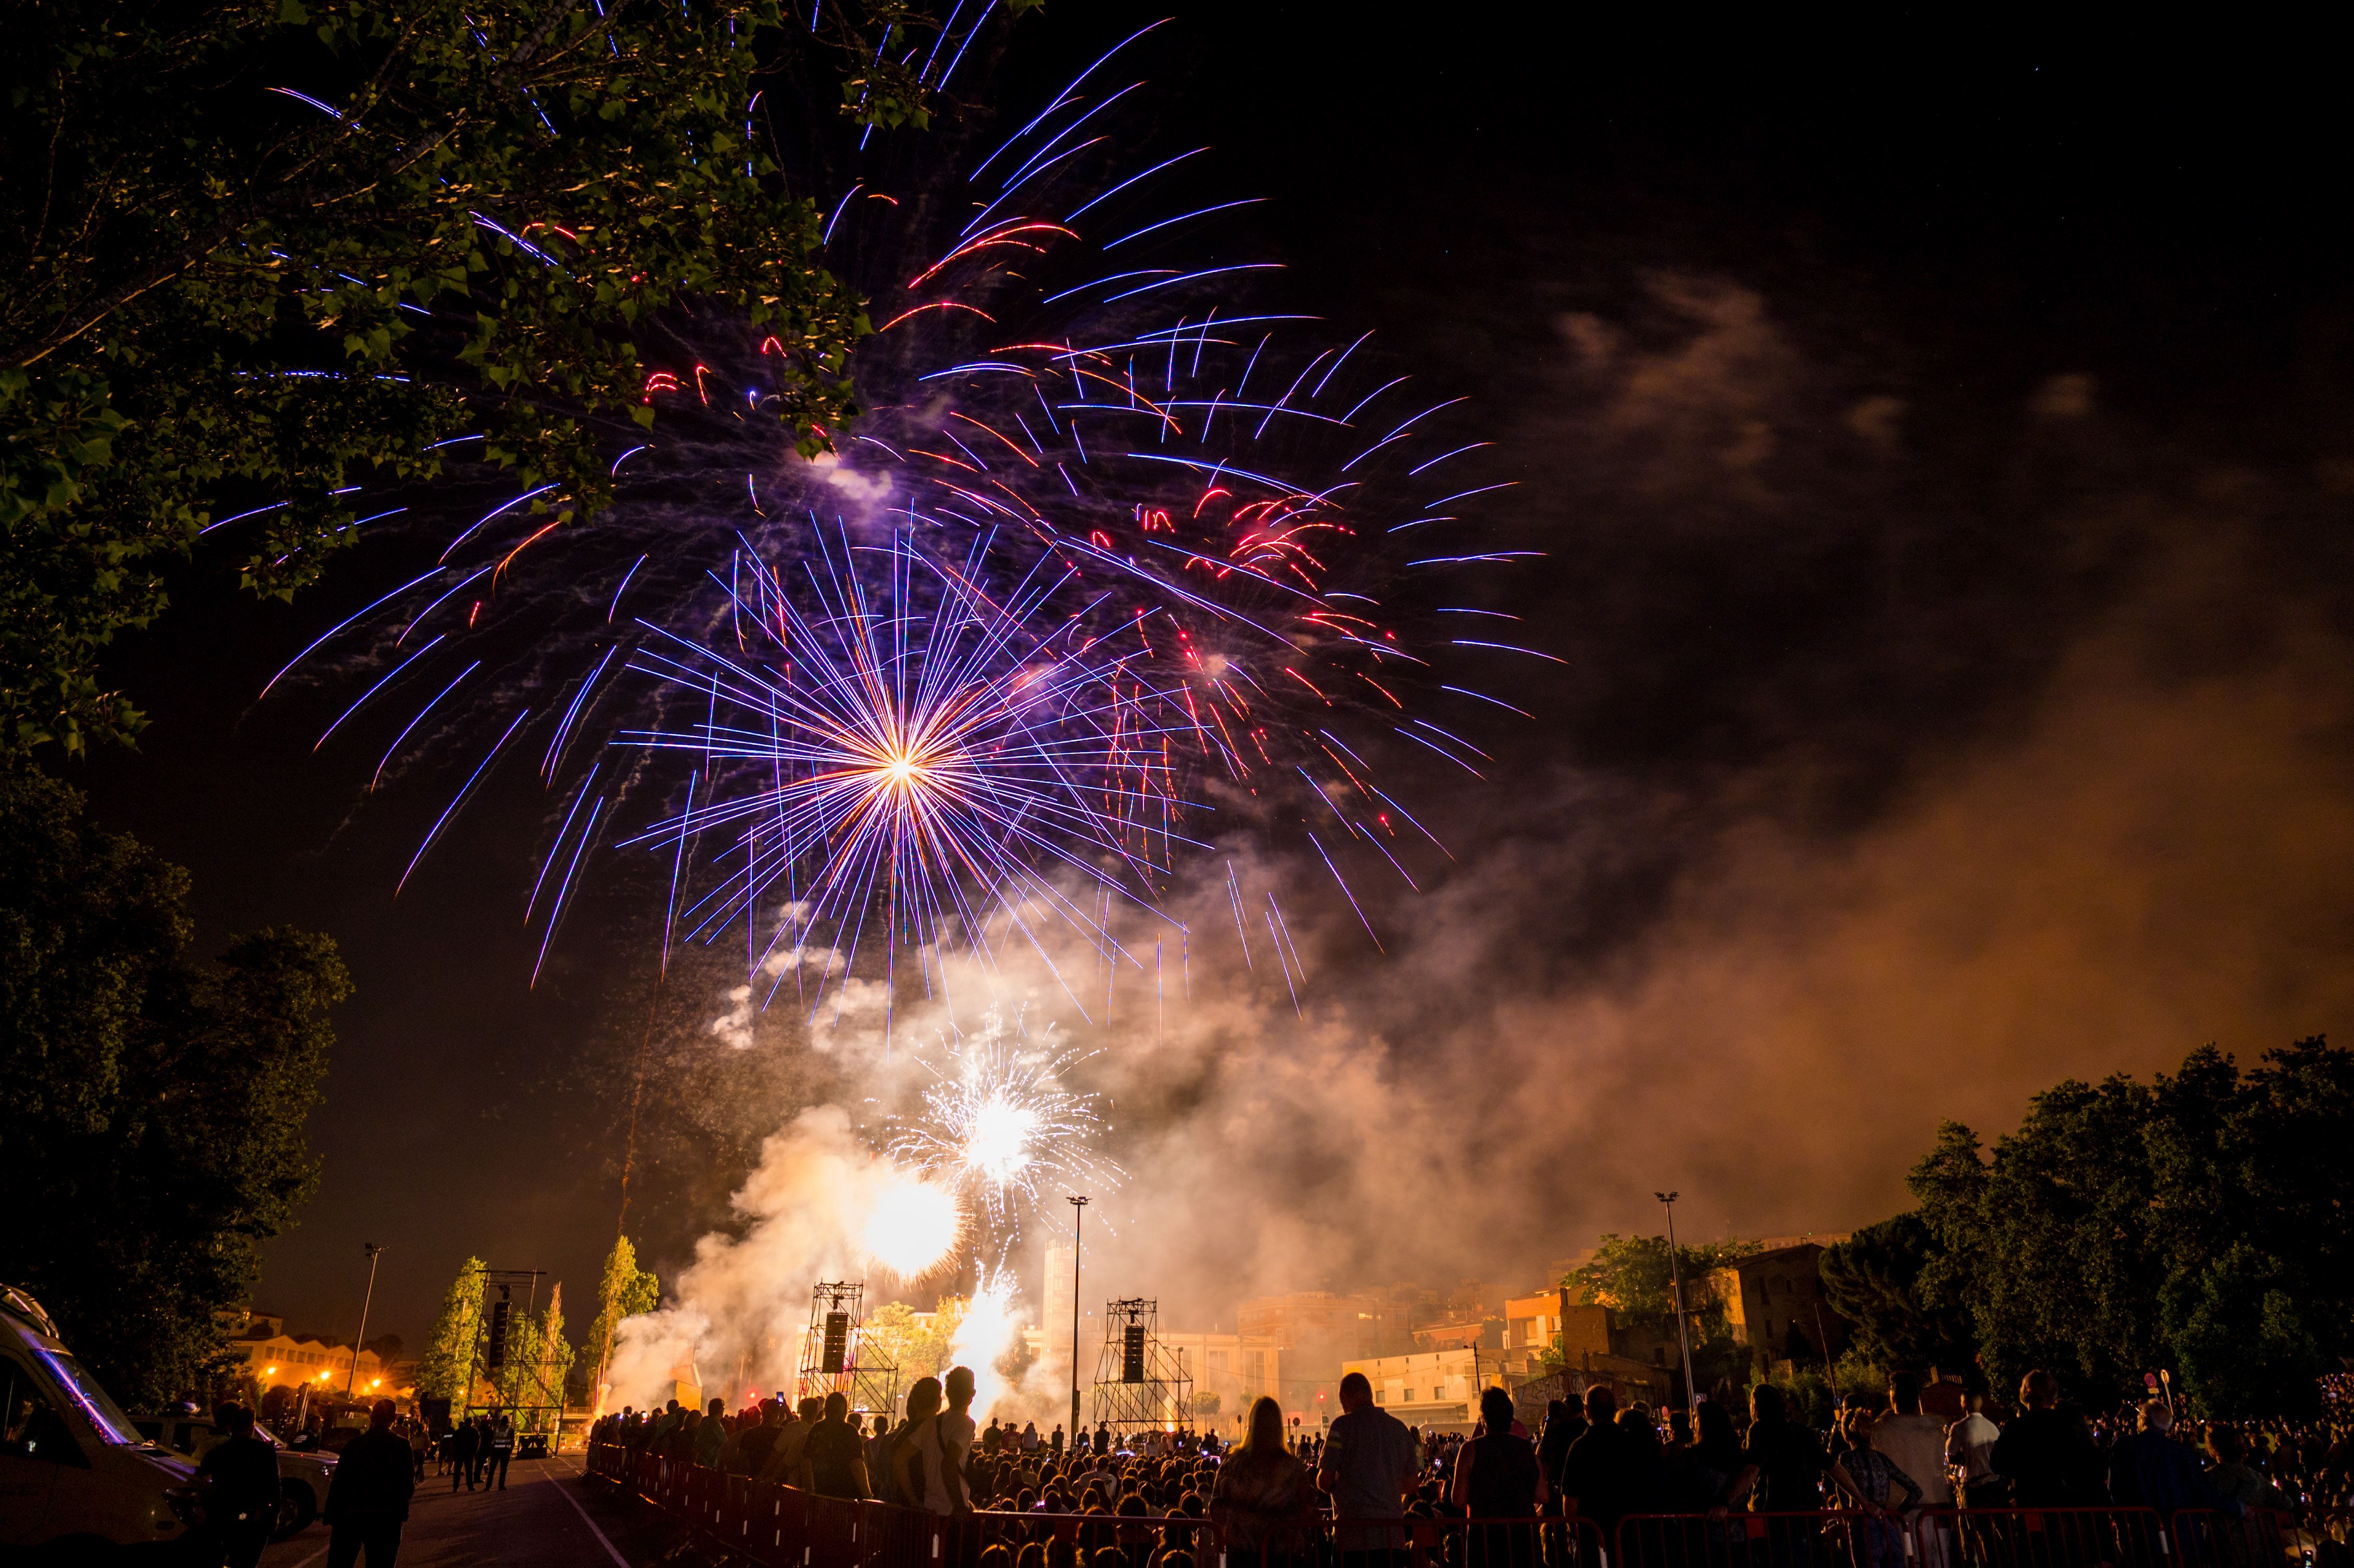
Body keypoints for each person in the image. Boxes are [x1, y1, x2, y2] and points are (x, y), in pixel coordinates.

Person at [1319, 1370, 1420, 1556]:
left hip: (1353, 1539)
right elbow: (1413, 1483)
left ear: (1345, 1398)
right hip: (1393, 1539)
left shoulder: (1341, 1427)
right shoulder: (1399, 1429)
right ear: (1370, 1394)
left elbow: (1324, 1480)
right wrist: (1386, 1485)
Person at [1211, 1396, 1319, 1565]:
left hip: (1240, 1556)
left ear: (1251, 1425)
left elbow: (1216, 1507)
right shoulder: (1292, 1468)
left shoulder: (1234, 1464)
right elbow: (1307, 1508)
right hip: (1284, 1556)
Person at [1452, 1387, 1546, 1568]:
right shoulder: (1527, 1449)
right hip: (1524, 1537)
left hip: (1486, 1541)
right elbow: (1544, 1495)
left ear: (1483, 1419)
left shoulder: (1470, 1450)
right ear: (1510, 1418)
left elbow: (1458, 1499)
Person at [324, 1399, 416, 1568]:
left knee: (340, 1562)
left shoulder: (355, 1445)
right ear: (394, 1418)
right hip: (386, 1518)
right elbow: (407, 1485)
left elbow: (340, 1482)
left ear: (372, 1417)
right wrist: (401, 1513)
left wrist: (332, 1513)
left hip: (351, 1515)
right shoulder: (402, 1446)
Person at [1829, 1412, 1924, 1568]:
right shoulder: (1882, 1459)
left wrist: (1849, 1515)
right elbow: (1916, 1491)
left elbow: (1842, 1489)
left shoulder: (1848, 1458)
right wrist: (1897, 1515)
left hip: (1863, 1528)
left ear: (1846, 1434)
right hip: (1887, 1526)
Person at [1992, 1372, 2099, 1507]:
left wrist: (2020, 1473)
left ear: (2028, 1391)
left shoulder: (2016, 1427)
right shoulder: (2068, 1424)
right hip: (2067, 1502)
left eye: (2022, 1386)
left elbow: (1997, 1463)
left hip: (2031, 1502)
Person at [196, 1403, 281, 1568]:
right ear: (251, 1427)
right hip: (256, 1519)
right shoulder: (265, 1451)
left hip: (224, 1516)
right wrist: (274, 1514)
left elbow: (201, 1471)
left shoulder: (219, 1452)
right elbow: (274, 1485)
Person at [2109, 1400, 2229, 1514]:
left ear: (2144, 1420)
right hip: (2181, 1528)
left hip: (2141, 1527)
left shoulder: (2123, 1446)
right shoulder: (2182, 1452)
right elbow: (2204, 1490)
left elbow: (2116, 1491)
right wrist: (2240, 1509)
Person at [1559, 1386, 1647, 1539]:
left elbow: (1570, 1498)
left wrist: (1574, 1532)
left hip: (1591, 1534)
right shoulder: (1632, 1443)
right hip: (1629, 1532)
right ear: (1614, 1408)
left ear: (1587, 1410)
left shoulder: (1580, 1447)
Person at [906, 1365, 980, 1515]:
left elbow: (899, 1458)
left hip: (929, 1509)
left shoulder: (930, 1423)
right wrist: (959, 1506)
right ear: (972, 1394)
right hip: (950, 1513)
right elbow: (948, 1464)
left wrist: (913, 1499)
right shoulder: (966, 1424)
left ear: (947, 1393)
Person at [882, 1378, 944, 1507]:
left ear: (914, 1401)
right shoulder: (935, 1433)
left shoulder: (900, 1435)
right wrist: (915, 1502)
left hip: (902, 1506)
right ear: (939, 1403)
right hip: (926, 1508)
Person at [801, 1391, 874, 1499]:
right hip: (844, 1497)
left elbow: (806, 1460)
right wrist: (868, 1496)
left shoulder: (816, 1429)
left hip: (820, 1494)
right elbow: (857, 1466)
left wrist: (810, 1490)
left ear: (825, 1409)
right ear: (844, 1411)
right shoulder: (849, 1431)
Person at [1946, 1393, 2005, 1508]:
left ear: (1964, 1404)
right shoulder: (1992, 1426)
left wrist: (1962, 1457)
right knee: (2003, 1523)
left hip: (1976, 1488)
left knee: (1978, 1524)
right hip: (1997, 1484)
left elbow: (1951, 1457)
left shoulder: (1959, 1427)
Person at [480, 1409, 515, 1491]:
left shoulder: (496, 1430)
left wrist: (491, 1450)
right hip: (505, 1451)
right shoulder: (510, 1430)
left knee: (492, 1469)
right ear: (507, 1422)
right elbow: (512, 1442)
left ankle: (488, 1486)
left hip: (496, 1451)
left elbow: (491, 1441)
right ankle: (501, 1485)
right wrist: (510, 1451)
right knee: (503, 1469)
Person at [449, 1416, 480, 1492]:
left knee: (457, 1471)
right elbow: (478, 1441)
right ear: (472, 1423)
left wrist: (454, 1451)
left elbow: (453, 1442)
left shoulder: (459, 1431)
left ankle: (455, 1487)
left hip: (459, 1453)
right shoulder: (474, 1431)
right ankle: (470, 1486)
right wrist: (476, 1451)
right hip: (469, 1453)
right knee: (469, 1471)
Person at [697, 1396, 728, 1468]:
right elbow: (725, 1443)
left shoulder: (706, 1422)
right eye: (723, 1408)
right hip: (709, 1464)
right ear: (720, 1409)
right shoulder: (715, 1424)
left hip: (703, 1461)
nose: (723, 1410)